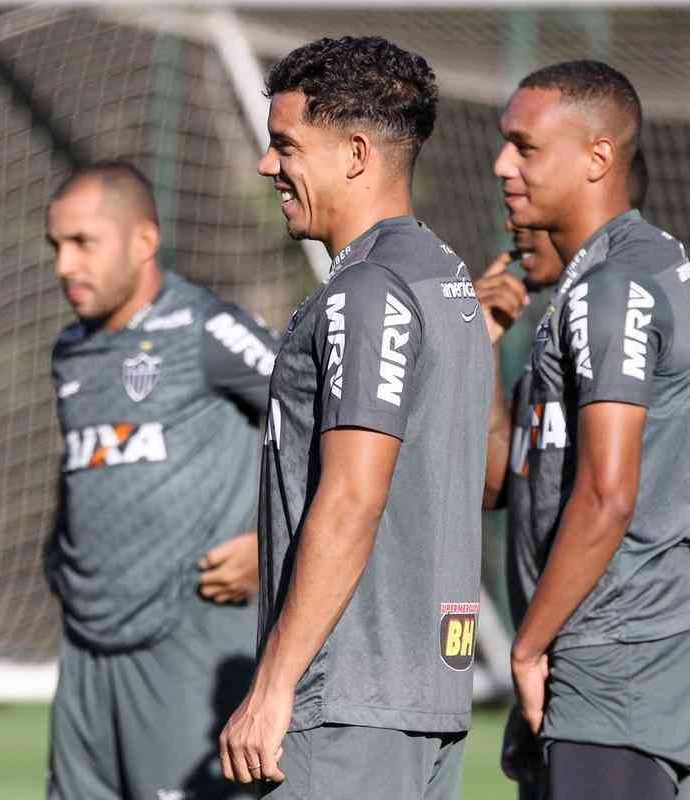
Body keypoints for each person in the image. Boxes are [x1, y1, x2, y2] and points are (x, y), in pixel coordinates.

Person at [217, 36, 494, 800]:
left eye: (286, 146)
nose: (268, 166)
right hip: (425, 693)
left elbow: (351, 497)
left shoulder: (366, 291)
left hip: (346, 702)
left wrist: (273, 686)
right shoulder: (447, 281)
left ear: (357, 153)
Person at [479, 61, 690, 800]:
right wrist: (481, 342)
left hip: (616, 645)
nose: (502, 165)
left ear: (597, 157)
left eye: (524, 146)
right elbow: (499, 479)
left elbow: (609, 494)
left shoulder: (615, 287)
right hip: (590, 645)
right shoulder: (585, 287)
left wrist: (527, 647)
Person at [43, 160, 280, 800]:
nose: (65, 265)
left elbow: (326, 426)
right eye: (57, 246)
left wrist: (274, 545)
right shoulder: (71, 349)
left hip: (190, 633)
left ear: (143, 242)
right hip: (88, 644)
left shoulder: (208, 329)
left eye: (83, 243)